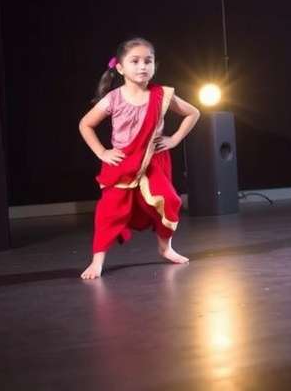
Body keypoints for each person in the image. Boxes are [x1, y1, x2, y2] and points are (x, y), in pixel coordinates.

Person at [78, 37, 200, 279]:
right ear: (121, 68)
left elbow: (193, 113)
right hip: (121, 164)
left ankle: (165, 249)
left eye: (148, 61)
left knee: (169, 201)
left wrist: (174, 139)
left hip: (152, 161)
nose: (143, 66)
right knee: (109, 211)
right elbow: (85, 124)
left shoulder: (162, 94)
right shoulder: (113, 98)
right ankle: (97, 260)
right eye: (135, 61)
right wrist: (103, 152)